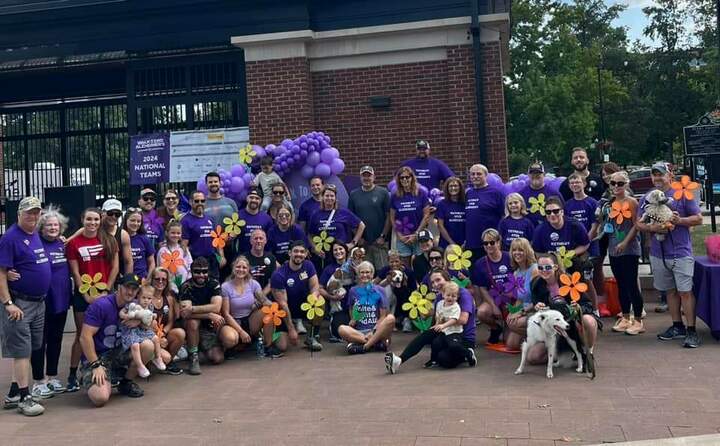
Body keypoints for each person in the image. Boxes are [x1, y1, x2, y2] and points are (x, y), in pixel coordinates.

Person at [637, 162, 703, 348]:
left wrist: (679, 220)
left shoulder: (681, 193)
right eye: (654, 174)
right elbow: (638, 223)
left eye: (661, 174)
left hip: (680, 252)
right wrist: (651, 227)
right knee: (670, 291)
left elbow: (698, 218)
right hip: (659, 253)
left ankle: (692, 330)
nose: (657, 178)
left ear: (670, 175)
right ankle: (677, 326)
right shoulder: (647, 197)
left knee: (685, 291)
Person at [0, 196, 52, 416]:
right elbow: (1, 273)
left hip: (38, 302)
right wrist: (8, 303)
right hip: (19, 303)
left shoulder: (35, 234)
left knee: (29, 348)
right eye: (29, 212)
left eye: (36, 212)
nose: (33, 216)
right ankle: (24, 397)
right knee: (22, 351)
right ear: (19, 213)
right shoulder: (10, 238)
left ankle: (13, 392)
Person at [65, 207, 119, 393]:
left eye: (96, 219)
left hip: (106, 295)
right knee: (82, 334)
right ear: (83, 220)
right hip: (83, 296)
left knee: (107, 332)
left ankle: (108, 368)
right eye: (89, 219)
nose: (92, 223)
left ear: (100, 220)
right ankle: (73, 375)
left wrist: (106, 290)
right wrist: (85, 294)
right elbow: (75, 271)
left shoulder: (109, 240)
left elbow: (115, 267)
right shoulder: (73, 244)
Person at [384, 269, 476, 374]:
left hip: (462, 337)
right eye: (432, 282)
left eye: (438, 280)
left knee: (444, 359)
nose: (435, 284)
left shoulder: (462, 293)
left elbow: (463, 320)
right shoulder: (440, 298)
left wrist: (442, 322)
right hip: (446, 333)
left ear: (447, 279)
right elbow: (436, 317)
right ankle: (399, 360)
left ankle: (467, 354)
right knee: (428, 335)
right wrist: (424, 314)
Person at [79, 274, 147, 406]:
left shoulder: (136, 306)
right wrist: (95, 364)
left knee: (148, 346)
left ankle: (126, 383)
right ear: (118, 287)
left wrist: (140, 322)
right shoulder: (101, 305)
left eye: (134, 289)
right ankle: (88, 376)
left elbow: (151, 327)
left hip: (118, 352)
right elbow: (84, 337)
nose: (130, 292)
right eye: (127, 287)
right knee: (101, 397)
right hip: (98, 356)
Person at [523, 253, 598, 366]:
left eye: (548, 267)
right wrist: (538, 307)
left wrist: (577, 308)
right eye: (540, 268)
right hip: (555, 329)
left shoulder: (568, 279)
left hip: (573, 324)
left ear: (556, 267)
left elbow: (587, 304)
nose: (544, 270)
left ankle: (588, 352)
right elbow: (537, 308)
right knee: (533, 357)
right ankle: (564, 352)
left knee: (589, 321)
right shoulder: (536, 284)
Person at [592, 171, 644, 335]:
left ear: (626, 185)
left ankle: (638, 320)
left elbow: (636, 225)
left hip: (629, 249)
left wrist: (625, 242)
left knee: (631, 284)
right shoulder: (609, 203)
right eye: (613, 183)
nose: (615, 186)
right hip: (614, 249)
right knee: (621, 284)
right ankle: (625, 317)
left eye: (620, 184)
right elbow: (605, 224)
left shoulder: (632, 202)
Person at [29, 207, 73, 398]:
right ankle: (39, 381)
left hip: (61, 299)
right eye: (49, 225)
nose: (53, 228)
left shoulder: (62, 244)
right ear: (42, 227)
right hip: (41, 301)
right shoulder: (35, 243)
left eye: (56, 225)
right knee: (40, 341)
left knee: (56, 338)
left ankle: (52, 376)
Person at [531, 196, 597, 308]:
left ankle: (593, 308)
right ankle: (548, 306)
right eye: (548, 212)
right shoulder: (540, 230)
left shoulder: (575, 225)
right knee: (538, 274)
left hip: (574, 259)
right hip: (551, 263)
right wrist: (551, 261)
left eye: (556, 211)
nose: (552, 214)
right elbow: (537, 252)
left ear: (562, 212)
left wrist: (570, 254)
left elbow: (585, 244)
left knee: (586, 277)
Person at [269, 241, 322, 352]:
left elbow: (315, 286)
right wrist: (291, 329)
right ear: (289, 253)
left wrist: (313, 299)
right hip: (285, 311)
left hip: (303, 306)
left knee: (319, 300)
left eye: (302, 252)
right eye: (296, 251)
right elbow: (283, 304)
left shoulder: (308, 265)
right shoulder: (279, 274)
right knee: (282, 347)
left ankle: (312, 336)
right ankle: (280, 331)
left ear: (306, 253)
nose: (299, 254)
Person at [178, 257, 225, 375]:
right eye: (197, 271)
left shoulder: (214, 283)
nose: (201, 275)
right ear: (191, 271)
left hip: (208, 326)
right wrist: (209, 314)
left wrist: (194, 309)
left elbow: (216, 307)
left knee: (218, 358)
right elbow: (185, 313)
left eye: (204, 271)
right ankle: (193, 355)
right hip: (191, 324)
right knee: (193, 322)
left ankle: (200, 348)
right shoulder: (186, 286)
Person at [338, 261, 395, 354]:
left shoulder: (380, 290)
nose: (365, 275)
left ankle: (365, 347)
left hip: (377, 330)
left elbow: (383, 316)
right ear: (358, 275)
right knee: (341, 329)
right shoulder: (353, 290)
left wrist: (373, 332)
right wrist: (353, 319)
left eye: (367, 272)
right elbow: (351, 309)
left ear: (372, 274)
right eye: (362, 272)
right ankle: (375, 343)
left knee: (391, 318)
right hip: (360, 332)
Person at [471, 229, 513, 346]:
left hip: (511, 299)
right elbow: (483, 289)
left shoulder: (509, 258)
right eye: (485, 243)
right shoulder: (480, 263)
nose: (489, 245)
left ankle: (510, 329)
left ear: (499, 242)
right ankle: (495, 328)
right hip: (493, 298)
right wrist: (494, 306)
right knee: (481, 312)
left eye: (492, 242)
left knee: (509, 342)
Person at [564, 173, 600, 308]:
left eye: (577, 182)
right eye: (572, 183)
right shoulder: (567, 205)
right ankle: (578, 307)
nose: (575, 185)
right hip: (574, 249)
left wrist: (586, 243)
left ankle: (595, 309)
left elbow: (595, 226)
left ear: (584, 184)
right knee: (573, 279)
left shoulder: (592, 203)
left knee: (587, 279)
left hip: (590, 248)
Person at [219, 256, 268, 354]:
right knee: (231, 339)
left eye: (244, 267)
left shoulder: (253, 284)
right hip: (232, 322)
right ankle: (231, 346)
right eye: (238, 267)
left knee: (269, 311)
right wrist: (241, 331)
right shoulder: (225, 287)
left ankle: (268, 346)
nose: (241, 270)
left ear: (248, 269)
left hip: (249, 320)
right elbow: (226, 314)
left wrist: (278, 307)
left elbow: (264, 301)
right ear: (233, 268)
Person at [308, 184, 365, 265]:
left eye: (332, 196)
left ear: (335, 198)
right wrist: (315, 248)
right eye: (327, 196)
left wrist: (353, 243)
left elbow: (361, 225)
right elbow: (310, 234)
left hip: (341, 254)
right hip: (325, 255)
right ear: (322, 197)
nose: (329, 198)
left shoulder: (343, 212)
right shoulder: (315, 214)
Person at [348, 165, 391, 270]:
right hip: (363, 243)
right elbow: (350, 219)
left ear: (374, 177)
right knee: (365, 272)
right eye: (364, 176)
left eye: (369, 175)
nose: (366, 178)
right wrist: (359, 238)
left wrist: (383, 236)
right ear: (360, 178)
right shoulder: (353, 195)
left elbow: (389, 216)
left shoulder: (383, 192)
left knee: (383, 271)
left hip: (380, 242)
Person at [119, 285, 167, 378]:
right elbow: (121, 312)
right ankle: (140, 365)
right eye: (143, 297)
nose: (146, 300)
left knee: (156, 338)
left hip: (143, 330)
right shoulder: (133, 305)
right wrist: (125, 316)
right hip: (131, 332)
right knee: (135, 345)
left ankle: (158, 358)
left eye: (149, 298)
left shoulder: (150, 307)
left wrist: (151, 317)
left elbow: (149, 322)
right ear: (138, 296)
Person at [147, 267, 185, 375]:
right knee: (166, 357)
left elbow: (170, 322)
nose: (160, 282)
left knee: (180, 333)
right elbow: (144, 324)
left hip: (161, 333)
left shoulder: (169, 298)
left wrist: (162, 334)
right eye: (157, 279)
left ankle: (168, 364)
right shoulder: (147, 297)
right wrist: (158, 338)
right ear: (151, 280)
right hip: (148, 336)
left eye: (163, 279)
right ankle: (150, 362)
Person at [390, 166, 431, 265]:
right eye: (401, 177)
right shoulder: (395, 196)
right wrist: (399, 235)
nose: (404, 179)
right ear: (398, 180)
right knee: (404, 267)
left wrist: (416, 234)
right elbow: (392, 217)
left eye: (407, 177)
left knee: (421, 264)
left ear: (412, 177)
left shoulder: (421, 193)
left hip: (419, 235)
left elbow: (426, 215)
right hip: (402, 237)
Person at [465, 164, 505, 263]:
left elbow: (504, 216)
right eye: (472, 174)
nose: (475, 176)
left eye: (479, 174)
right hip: (472, 243)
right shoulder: (468, 194)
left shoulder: (495, 193)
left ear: (486, 176)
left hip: (490, 243)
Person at [504, 238, 538, 352]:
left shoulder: (535, 270)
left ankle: (540, 338)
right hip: (524, 309)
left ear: (527, 251)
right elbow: (519, 299)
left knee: (515, 324)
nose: (517, 253)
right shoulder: (516, 273)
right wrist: (513, 311)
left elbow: (537, 299)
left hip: (535, 309)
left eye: (521, 250)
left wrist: (521, 313)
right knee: (511, 345)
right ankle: (531, 338)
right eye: (514, 250)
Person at [181, 191, 223, 279]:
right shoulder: (185, 221)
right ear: (190, 202)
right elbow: (183, 245)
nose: (200, 203)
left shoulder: (210, 218)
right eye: (196, 201)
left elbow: (217, 239)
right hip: (195, 261)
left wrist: (222, 256)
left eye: (202, 201)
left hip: (212, 261)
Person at [375, 250, 418, 332]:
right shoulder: (385, 270)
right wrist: (386, 281)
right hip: (388, 296)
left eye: (396, 261)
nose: (394, 264)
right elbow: (374, 284)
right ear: (388, 262)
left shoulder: (408, 271)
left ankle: (406, 319)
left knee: (405, 291)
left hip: (405, 297)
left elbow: (414, 289)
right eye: (391, 262)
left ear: (401, 261)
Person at [428, 281, 464, 367]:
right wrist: (436, 325)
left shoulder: (456, 307)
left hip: (454, 332)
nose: (450, 298)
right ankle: (433, 360)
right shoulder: (440, 304)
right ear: (443, 294)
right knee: (436, 343)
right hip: (443, 331)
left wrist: (443, 325)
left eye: (453, 296)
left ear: (457, 297)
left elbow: (454, 319)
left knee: (453, 346)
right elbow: (439, 316)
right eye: (448, 295)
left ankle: (467, 354)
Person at [519, 161, 561, 227]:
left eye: (538, 173)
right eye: (532, 173)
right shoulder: (521, 195)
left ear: (544, 174)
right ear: (528, 175)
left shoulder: (554, 194)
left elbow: (563, 214)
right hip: (528, 233)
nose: (535, 175)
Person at [234, 187, 273, 255]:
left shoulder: (267, 218)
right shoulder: (237, 216)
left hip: (260, 257)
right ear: (247, 198)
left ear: (261, 200)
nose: (254, 200)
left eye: (257, 198)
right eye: (251, 197)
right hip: (242, 258)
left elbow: (269, 242)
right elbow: (232, 240)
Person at [155, 220, 193, 292]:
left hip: (186, 285)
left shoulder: (184, 249)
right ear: (167, 233)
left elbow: (190, 265)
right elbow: (162, 269)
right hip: (170, 286)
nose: (175, 235)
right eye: (173, 233)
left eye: (178, 233)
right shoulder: (163, 251)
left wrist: (189, 281)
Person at [101, 199, 133, 275]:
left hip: (116, 278)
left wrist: (127, 283)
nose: (114, 216)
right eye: (110, 213)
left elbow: (128, 262)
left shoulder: (123, 234)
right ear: (103, 213)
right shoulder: (94, 230)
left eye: (117, 214)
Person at [122, 208, 156, 279]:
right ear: (126, 220)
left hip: (142, 279)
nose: (136, 223)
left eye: (138, 221)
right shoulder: (119, 238)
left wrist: (148, 279)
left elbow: (151, 263)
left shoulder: (144, 238)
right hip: (124, 279)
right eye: (132, 220)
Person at [436, 176, 466, 248]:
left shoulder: (466, 203)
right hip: (447, 244)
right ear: (447, 188)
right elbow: (440, 225)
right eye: (450, 186)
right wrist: (452, 243)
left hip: (464, 244)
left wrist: (466, 241)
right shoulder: (442, 204)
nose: (453, 188)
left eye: (455, 186)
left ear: (460, 187)